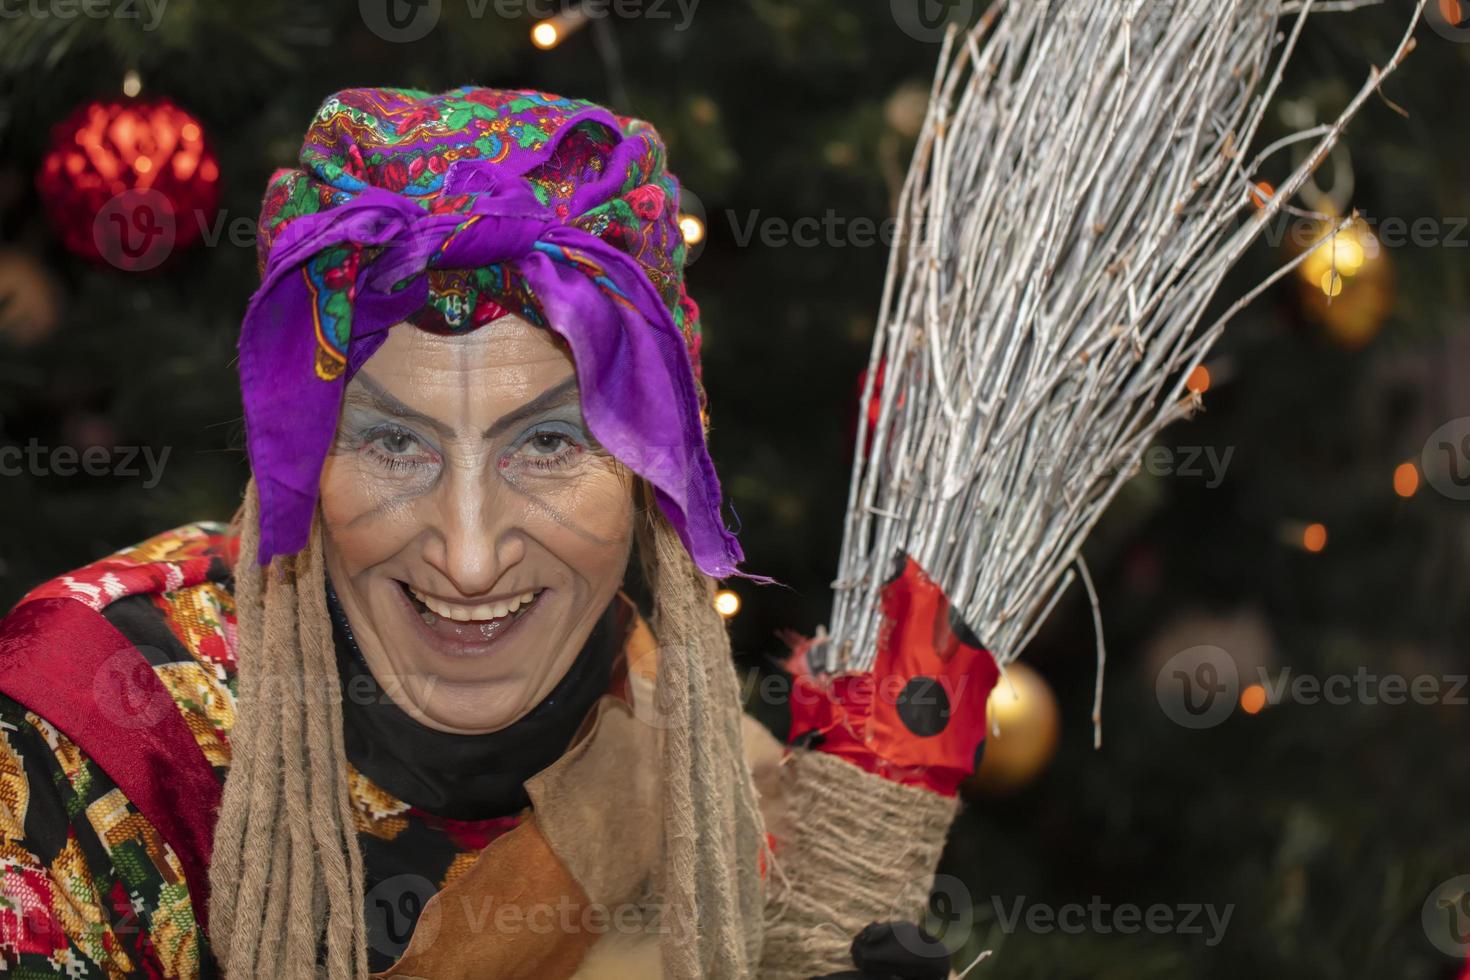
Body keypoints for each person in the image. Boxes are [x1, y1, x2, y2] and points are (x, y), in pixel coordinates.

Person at [0, 86, 995, 979]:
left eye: (551, 441)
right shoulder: (82, 727)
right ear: (298, 453)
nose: (469, 558)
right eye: (392, 441)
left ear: (652, 473)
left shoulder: (689, 765)